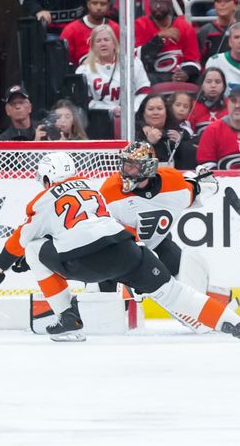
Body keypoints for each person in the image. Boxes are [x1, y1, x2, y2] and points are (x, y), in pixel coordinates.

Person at [0, 151, 240, 342]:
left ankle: (68, 319)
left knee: (32, 250)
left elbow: (20, 240)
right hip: (126, 251)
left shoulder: (42, 200)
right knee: (174, 293)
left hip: (83, 263)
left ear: (45, 178)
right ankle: (239, 325)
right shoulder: (93, 188)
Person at [99, 142, 231, 334]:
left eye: (133, 165)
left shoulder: (174, 184)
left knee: (182, 287)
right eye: (125, 164)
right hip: (122, 250)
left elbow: (198, 189)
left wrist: (211, 185)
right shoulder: (110, 191)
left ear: (148, 167)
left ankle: (219, 305)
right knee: (105, 303)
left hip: (160, 244)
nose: (126, 170)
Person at [75, 25, 150, 138]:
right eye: (98, 41)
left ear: (114, 43)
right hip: (99, 122)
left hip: (133, 117)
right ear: (93, 46)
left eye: (106, 39)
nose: (103, 44)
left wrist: (131, 109)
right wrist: (110, 109)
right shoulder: (84, 70)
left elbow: (144, 90)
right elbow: (84, 102)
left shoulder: (132, 63)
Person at [134, 0, 201, 85]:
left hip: (178, 81)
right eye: (154, 2)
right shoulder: (140, 25)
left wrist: (185, 73)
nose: (157, 6)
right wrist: (159, 37)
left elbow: (193, 60)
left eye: (162, 3)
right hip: (149, 79)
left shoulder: (184, 27)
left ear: (170, 4)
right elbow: (136, 59)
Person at [60, 0, 119, 66]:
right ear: (88, 4)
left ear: (109, 6)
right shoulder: (71, 30)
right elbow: (62, 60)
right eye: (94, 3)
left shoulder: (115, 28)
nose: (98, 8)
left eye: (103, 4)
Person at [136, 93, 197, 169]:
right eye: (150, 109)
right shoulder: (134, 132)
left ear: (166, 112)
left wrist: (179, 144)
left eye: (160, 108)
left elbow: (192, 158)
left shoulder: (179, 131)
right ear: (143, 113)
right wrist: (148, 143)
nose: (155, 113)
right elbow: (131, 163)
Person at [188, 67, 229, 133]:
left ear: (223, 86)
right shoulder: (192, 106)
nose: (213, 85)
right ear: (202, 86)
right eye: (208, 81)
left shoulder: (231, 105)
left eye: (218, 82)